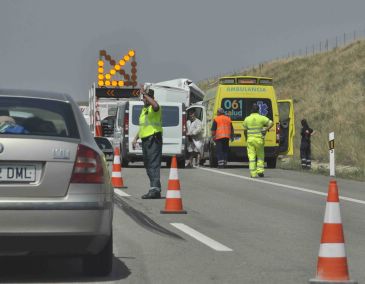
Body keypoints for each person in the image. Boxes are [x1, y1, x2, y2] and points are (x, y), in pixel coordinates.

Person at [132, 86, 163, 199]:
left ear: (150, 98)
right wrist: (136, 138)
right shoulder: (144, 110)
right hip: (146, 140)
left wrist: (144, 93)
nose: (143, 100)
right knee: (148, 164)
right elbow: (142, 127)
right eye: (143, 98)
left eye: (145, 98)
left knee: (153, 164)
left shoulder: (154, 108)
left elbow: (155, 105)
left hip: (153, 139)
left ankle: (154, 189)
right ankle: (155, 188)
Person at [243, 104, 273, 178]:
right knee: (260, 156)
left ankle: (253, 174)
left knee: (251, 157)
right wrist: (266, 129)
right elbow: (271, 123)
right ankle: (260, 171)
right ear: (258, 110)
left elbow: (245, 130)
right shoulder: (261, 118)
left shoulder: (247, 119)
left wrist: (246, 138)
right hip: (259, 140)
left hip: (250, 140)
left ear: (251, 110)